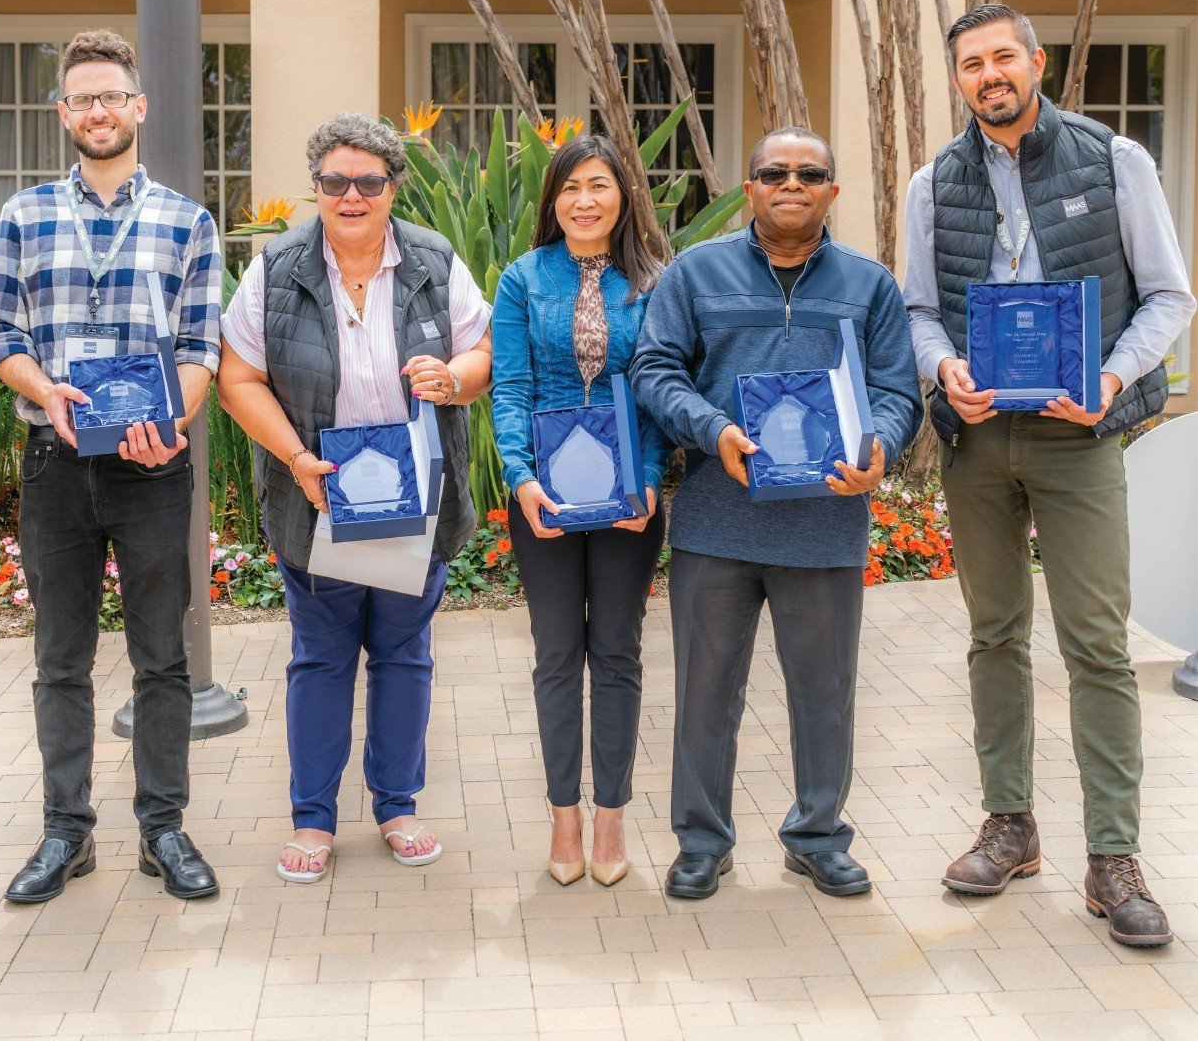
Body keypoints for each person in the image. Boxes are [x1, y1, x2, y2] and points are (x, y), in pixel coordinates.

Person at [903, 4, 1195, 946]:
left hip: (1079, 438)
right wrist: (943, 368)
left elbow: (1167, 296)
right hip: (980, 444)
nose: (989, 75)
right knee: (994, 636)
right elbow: (916, 310)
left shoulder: (1117, 161)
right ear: (959, 81)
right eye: (971, 64)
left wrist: (1109, 380)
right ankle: (1010, 825)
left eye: (1003, 57)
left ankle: (1113, 859)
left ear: (1036, 62)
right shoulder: (931, 183)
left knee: (1097, 648)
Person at [630, 128, 922, 900]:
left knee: (824, 692)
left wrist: (880, 445)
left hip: (826, 525)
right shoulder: (696, 274)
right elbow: (654, 369)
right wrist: (712, 428)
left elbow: (898, 391)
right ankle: (701, 841)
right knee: (703, 692)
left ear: (832, 190)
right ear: (750, 188)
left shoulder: (869, 285)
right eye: (773, 172)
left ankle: (818, 837)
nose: (791, 183)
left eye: (810, 173)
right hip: (716, 524)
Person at [218, 111, 491, 883]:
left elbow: (483, 350)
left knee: (404, 656)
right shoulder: (276, 268)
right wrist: (299, 458)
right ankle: (313, 819)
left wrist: (454, 378)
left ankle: (398, 806)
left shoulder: (434, 260)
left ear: (392, 188)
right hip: (321, 496)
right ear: (316, 188)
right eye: (335, 181)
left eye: (368, 181)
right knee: (322, 659)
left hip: (414, 496)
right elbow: (238, 378)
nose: (351, 195)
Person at [0, 29, 222, 903]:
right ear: (64, 114)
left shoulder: (188, 222)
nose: (96, 110)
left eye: (110, 95)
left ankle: (164, 829)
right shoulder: (23, 215)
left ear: (138, 106)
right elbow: (1, 335)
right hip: (55, 462)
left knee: (162, 658)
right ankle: (66, 833)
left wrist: (173, 418)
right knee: (59, 659)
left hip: (152, 468)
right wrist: (42, 389)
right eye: (81, 98)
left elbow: (202, 346)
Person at [490, 134, 669, 888]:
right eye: (570, 188)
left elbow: (660, 385)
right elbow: (509, 386)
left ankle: (611, 818)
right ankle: (564, 816)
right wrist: (522, 476)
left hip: (630, 494)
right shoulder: (524, 279)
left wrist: (652, 481)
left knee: (619, 653)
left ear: (622, 195)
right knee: (558, 653)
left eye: (598, 185)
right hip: (548, 497)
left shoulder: (656, 281)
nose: (584, 201)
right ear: (552, 201)